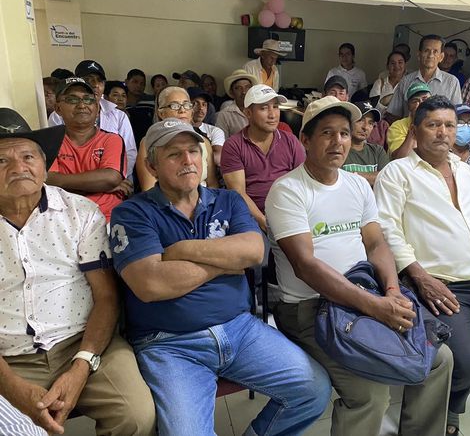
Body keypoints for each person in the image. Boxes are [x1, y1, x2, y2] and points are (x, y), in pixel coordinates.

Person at [109, 118, 331, 436]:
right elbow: (151, 284)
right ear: (151, 165)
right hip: (171, 344)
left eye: (193, 151)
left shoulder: (227, 200)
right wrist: (226, 263)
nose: (188, 160)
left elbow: (255, 252)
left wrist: (181, 250)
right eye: (174, 154)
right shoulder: (133, 212)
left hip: (240, 329)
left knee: (313, 390)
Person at [265, 96, 453, 436]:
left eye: (344, 133)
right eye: (326, 133)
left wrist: (392, 291)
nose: (338, 142)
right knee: (370, 395)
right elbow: (305, 266)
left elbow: (376, 243)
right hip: (310, 308)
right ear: (305, 139)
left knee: (439, 359)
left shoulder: (355, 184)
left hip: (365, 296)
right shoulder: (288, 190)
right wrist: (374, 306)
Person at [0, 108, 155, 436]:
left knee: (135, 416)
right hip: (8, 357)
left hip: (82, 342)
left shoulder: (80, 213)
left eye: (28, 156)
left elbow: (106, 296)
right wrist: (11, 386)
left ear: (45, 165)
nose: (18, 168)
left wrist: (82, 366)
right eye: (1, 160)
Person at [374, 95, 470, 436]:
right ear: (415, 130)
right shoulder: (398, 172)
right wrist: (419, 277)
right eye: (433, 125)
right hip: (441, 284)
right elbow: (387, 228)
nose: (443, 133)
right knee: (469, 361)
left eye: (450, 125)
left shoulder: (465, 171)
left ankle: (450, 402)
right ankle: (443, 410)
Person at [221, 84, 305, 232]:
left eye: (275, 107)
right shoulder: (233, 146)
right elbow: (238, 193)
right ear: (248, 113)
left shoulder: (290, 141)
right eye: (264, 108)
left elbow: (304, 182)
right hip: (251, 217)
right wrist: (264, 222)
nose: (272, 115)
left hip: (290, 212)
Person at [48, 77, 130, 222]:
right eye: (72, 99)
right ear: (58, 108)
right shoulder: (49, 141)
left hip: (107, 218)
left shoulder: (112, 140)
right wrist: (100, 185)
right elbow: (48, 181)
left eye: (88, 99)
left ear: (97, 108)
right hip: (64, 220)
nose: (82, 105)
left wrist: (60, 181)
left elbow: (111, 178)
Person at [48, 60, 137, 180]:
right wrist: (99, 181)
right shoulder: (56, 118)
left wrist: (120, 177)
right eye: (89, 79)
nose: (95, 85)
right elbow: (51, 176)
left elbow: (129, 153)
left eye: (99, 81)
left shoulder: (119, 117)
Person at [136, 86, 218, 191]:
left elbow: (212, 184)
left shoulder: (204, 142)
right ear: (161, 113)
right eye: (174, 106)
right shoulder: (150, 142)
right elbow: (149, 189)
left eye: (186, 105)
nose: (182, 110)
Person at [386, 35, 461, 122]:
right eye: (426, 51)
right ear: (419, 54)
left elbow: (457, 116)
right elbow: (394, 115)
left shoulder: (452, 82)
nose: (430, 55)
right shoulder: (406, 81)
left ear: (441, 57)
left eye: (435, 51)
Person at [342, 101, 389, 186]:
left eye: (370, 123)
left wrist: (352, 176)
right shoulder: (339, 150)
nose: (365, 127)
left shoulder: (377, 151)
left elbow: (387, 178)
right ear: (348, 122)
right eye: (360, 120)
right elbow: (335, 178)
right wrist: (373, 176)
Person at [386, 82, 431, 159]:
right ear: (408, 106)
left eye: (425, 99)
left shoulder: (439, 123)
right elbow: (400, 158)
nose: (421, 104)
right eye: (415, 101)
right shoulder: (397, 126)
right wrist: (415, 124)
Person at [215, 69, 258, 138]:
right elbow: (222, 141)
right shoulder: (224, 115)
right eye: (238, 88)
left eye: (247, 87)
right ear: (232, 92)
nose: (244, 92)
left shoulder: (259, 110)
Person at [188, 87, 225, 166]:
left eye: (204, 104)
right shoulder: (178, 130)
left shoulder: (214, 131)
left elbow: (218, 158)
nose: (201, 108)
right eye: (195, 103)